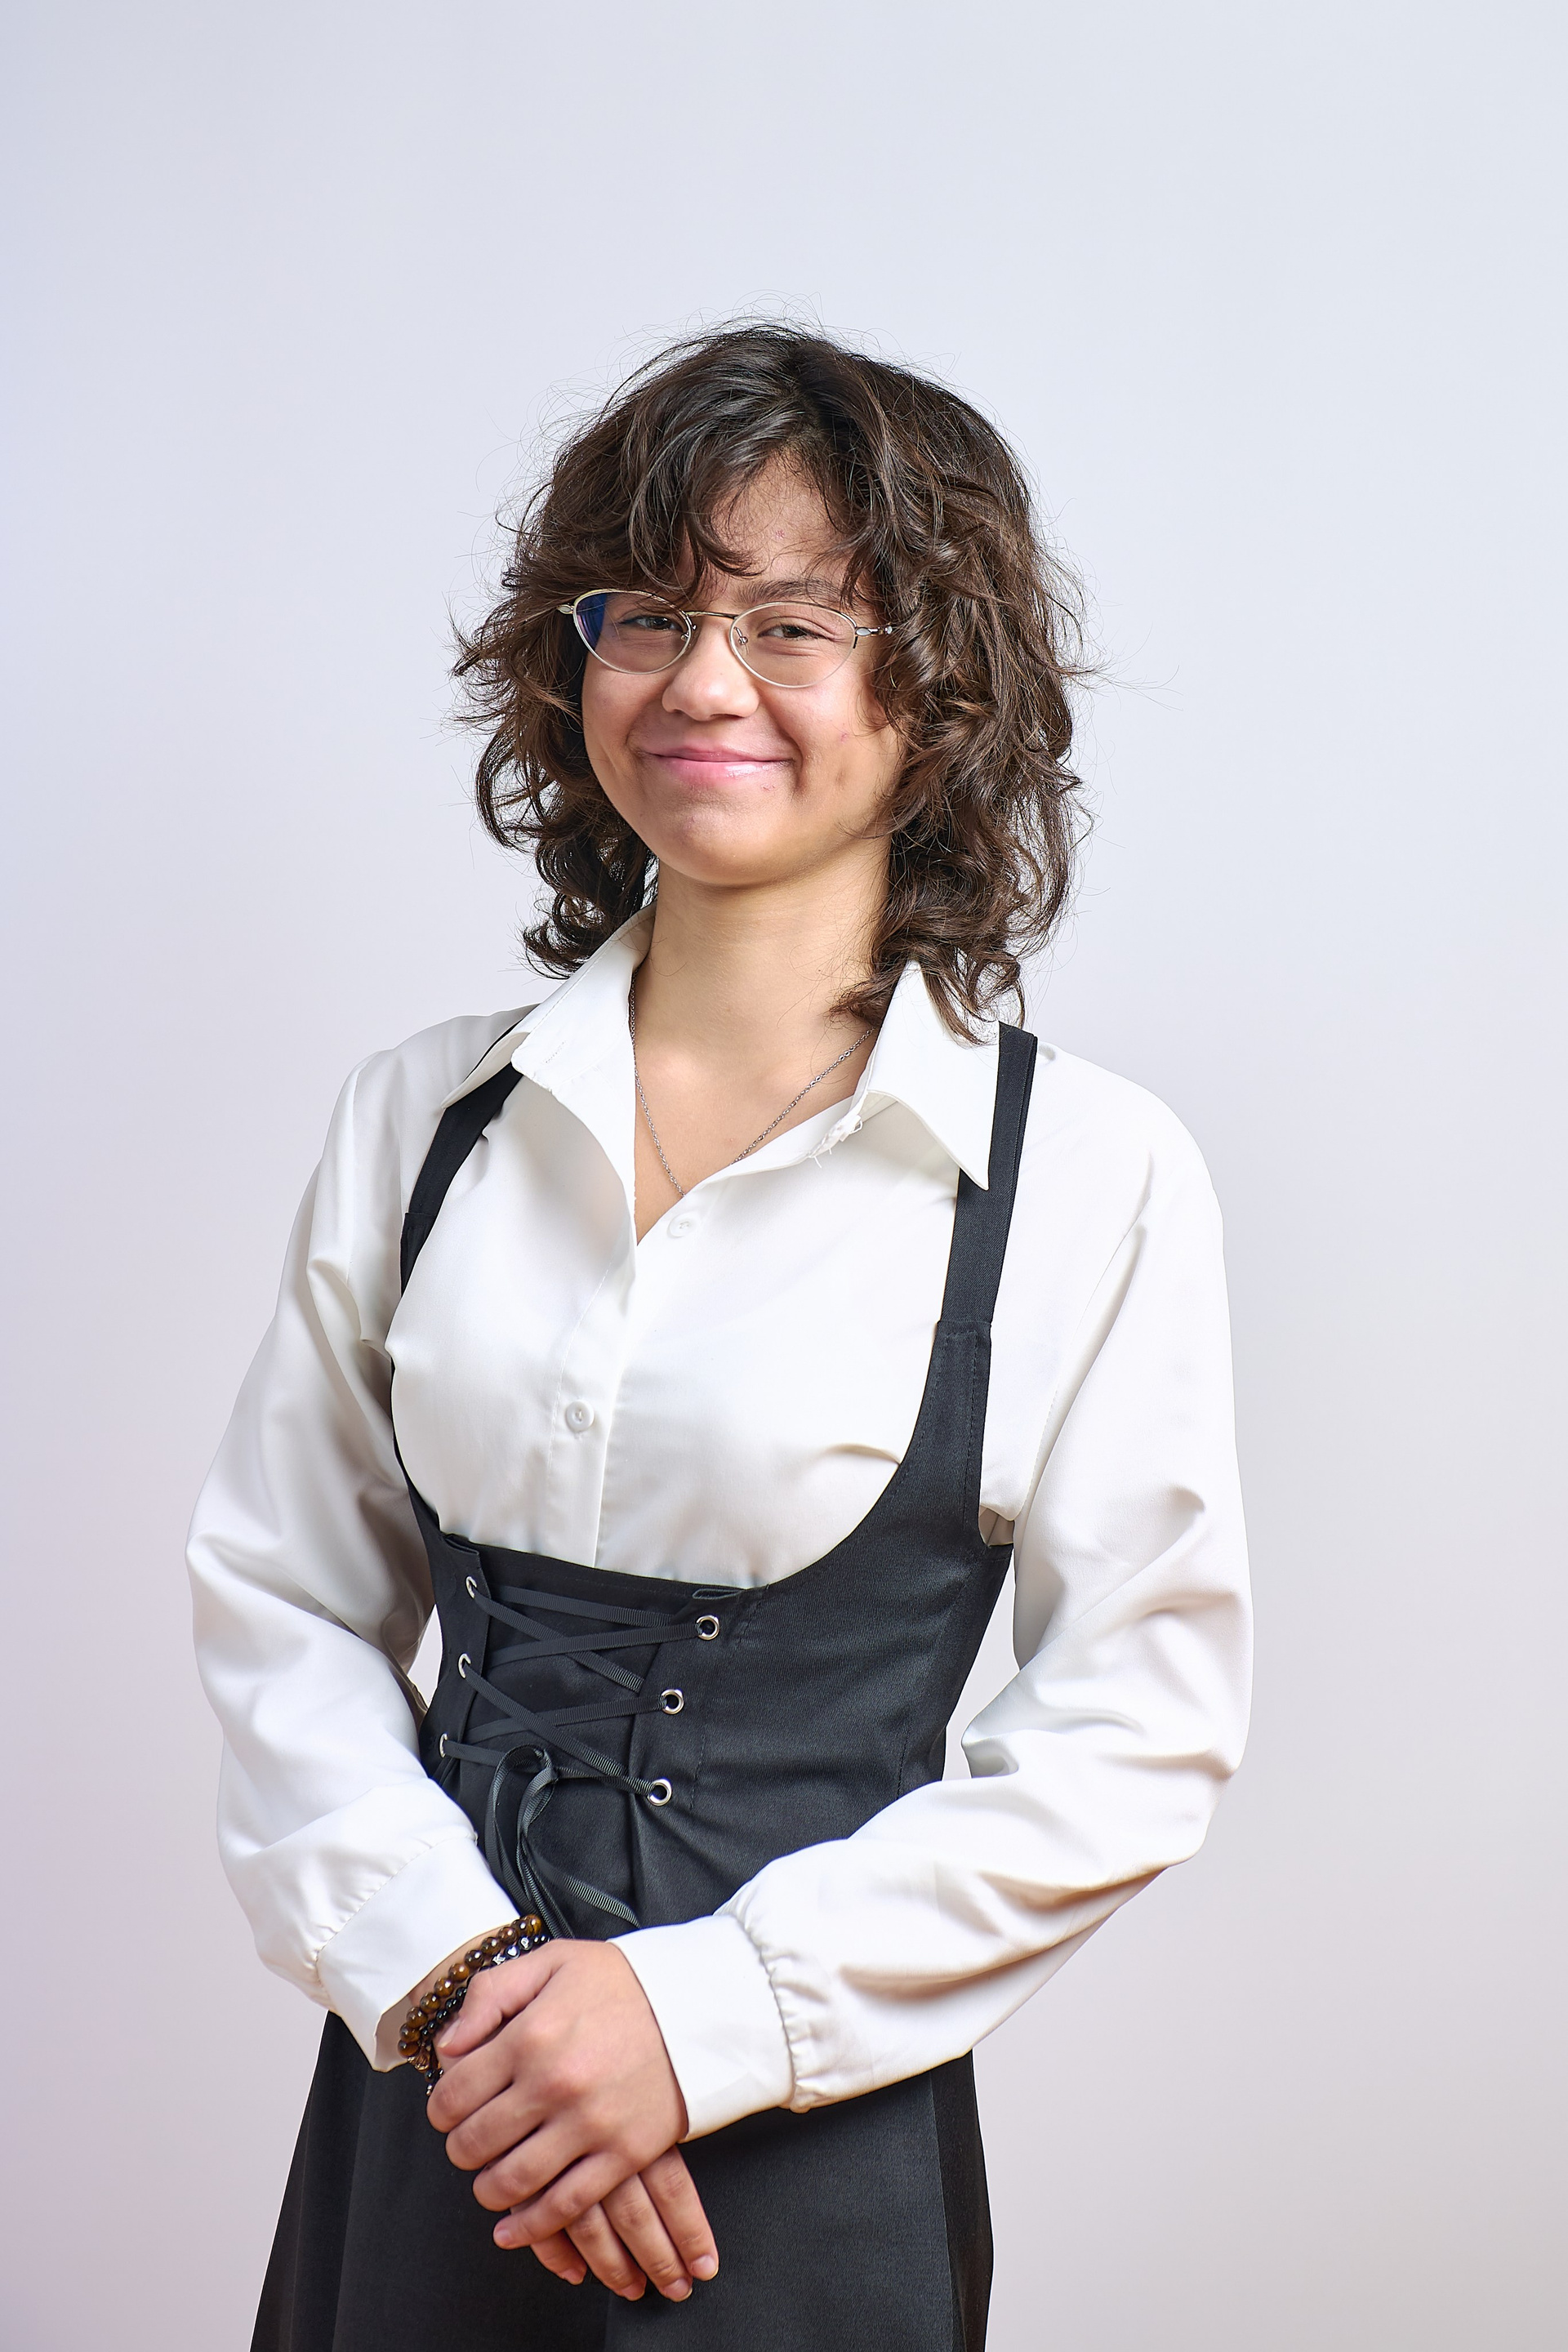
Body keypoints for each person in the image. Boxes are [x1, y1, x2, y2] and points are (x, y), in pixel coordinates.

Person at [188, 323, 1252, 2352]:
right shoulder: (421, 1120)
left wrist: (695, 2023)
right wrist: (467, 1987)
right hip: (440, 2110)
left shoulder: (1090, 1176)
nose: (701, 682)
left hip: (802, 2159)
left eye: (793, 623)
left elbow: (1139, 1727)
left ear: (938, 687)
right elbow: (281, 1603)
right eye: (651, 614)